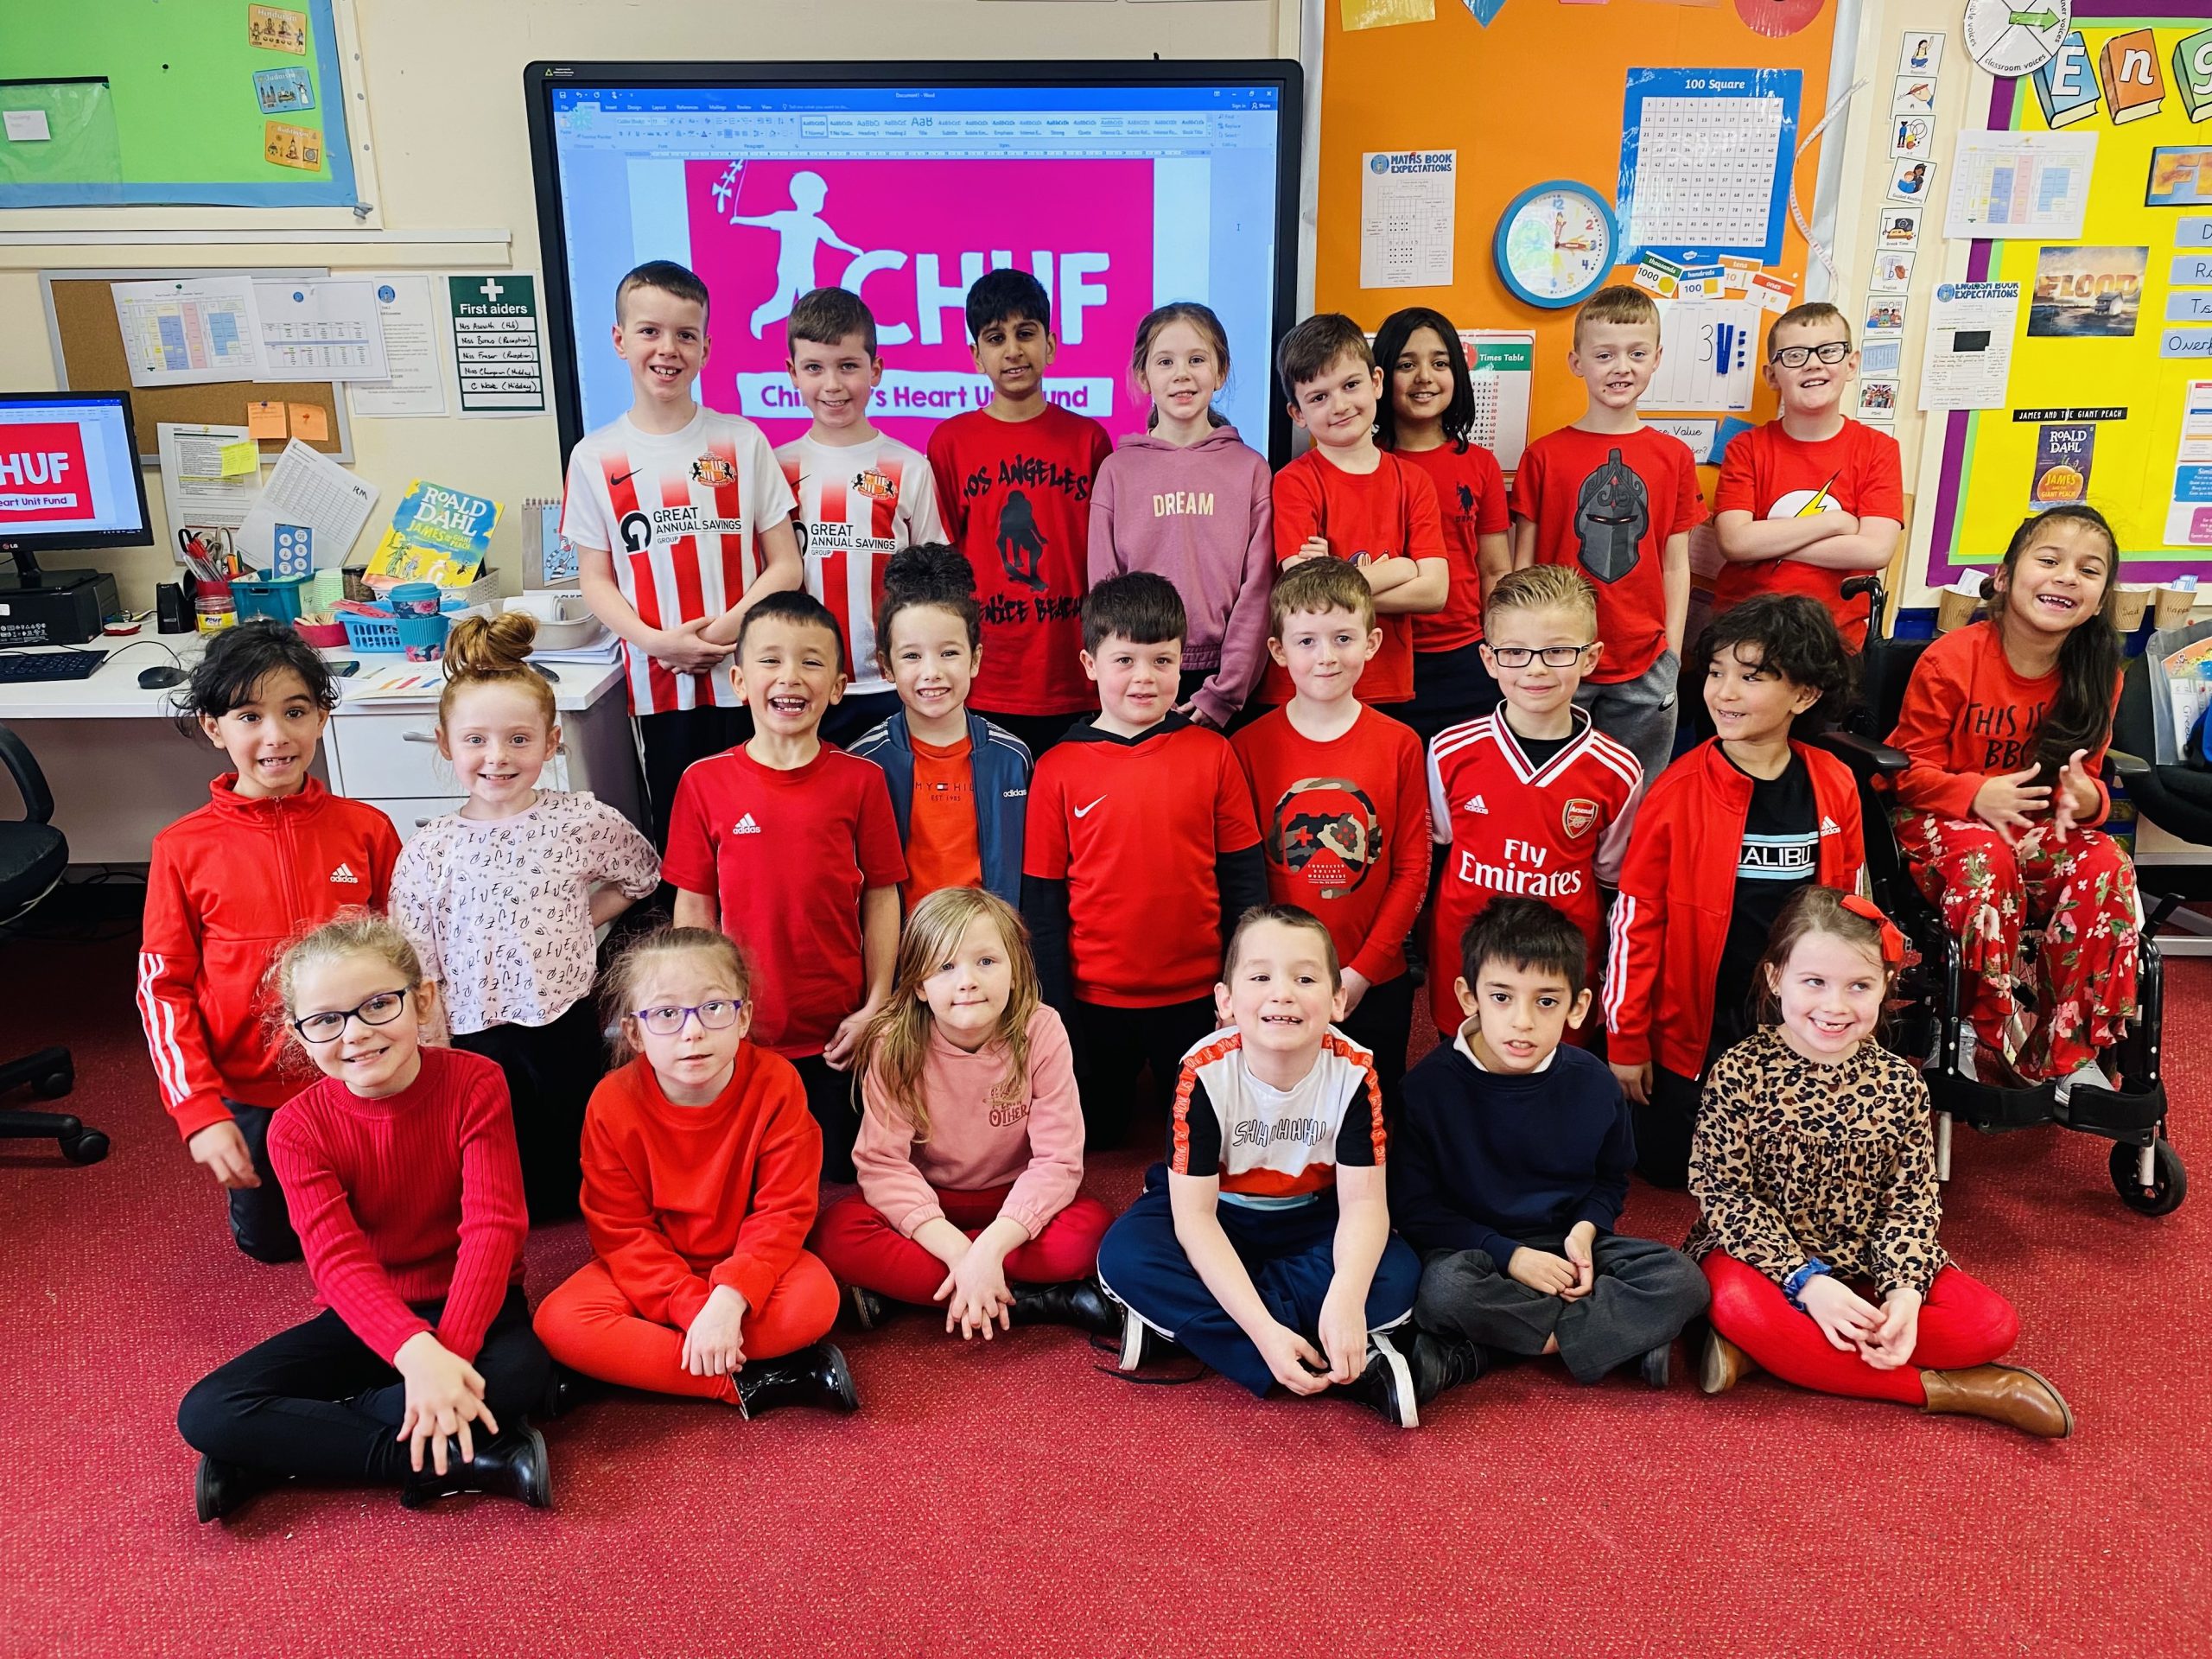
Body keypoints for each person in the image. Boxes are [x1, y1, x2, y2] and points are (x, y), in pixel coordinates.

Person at [177, 913, 554, 1522]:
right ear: (299, 1035)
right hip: (373, 1316)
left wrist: (445, 1357)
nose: (354, 1034)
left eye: (378, 1004)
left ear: (422, 1001)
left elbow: (492, 1229)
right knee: (208, 1412)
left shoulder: (477, 1082)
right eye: (326, 1020)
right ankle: (474, 1459)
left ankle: (279, 1453)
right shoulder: (295, 1128)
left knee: (521, 1378)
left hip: (475, 1307)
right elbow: (337, 1263)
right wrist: (414, 1357)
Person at [1688, 887, 2072, 1437]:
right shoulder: (1739, 1071)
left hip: (1866, 1258)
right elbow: (1724, 1194)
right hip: (1762, 1261)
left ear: (1886, 988)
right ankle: (1965, 1390)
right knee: (1735, 1305)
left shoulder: (1900, 1084)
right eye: (1814, 982)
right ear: (1777, 979)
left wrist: (1904, 1295)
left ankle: (1772, 1354)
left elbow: (1912, 1202)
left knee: (1990, 1325)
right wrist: (1806, 1283)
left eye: (1859, 986)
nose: (1835, 1007)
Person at [1093, 905, 1428, 1426]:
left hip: (1311, 1219)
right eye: (1261, 976)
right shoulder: (1202, 1074)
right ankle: (1296, 1349)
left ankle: (1187, 1330)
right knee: (1125, 1256)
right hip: (1219, 1214)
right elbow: (1194, 1219)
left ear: (1338, 999)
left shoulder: (1356, 1072)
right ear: (1225, 1001)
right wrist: (1264, 1332)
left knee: (1396, 1275)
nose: (1283, 993)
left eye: (1306, 977)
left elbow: (1364, 1204)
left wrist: (1344, 1296)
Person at [138, 620, 401, 1263]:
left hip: (363, 1076)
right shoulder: (182, 848)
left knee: (386, 1237)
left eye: (296, 711)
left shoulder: (367, 830)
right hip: (252, 1090)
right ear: (213, 727)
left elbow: (408, 956)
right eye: (249, 716)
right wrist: (199, 1110)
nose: (276, 736)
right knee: (273, 1247)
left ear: (322, 719)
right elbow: (161, 988)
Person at [389, 612, 659, 1224]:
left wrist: (581, 919)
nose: (497, 758)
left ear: (551, 741)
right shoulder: (431, 850)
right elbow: (417, 956)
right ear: (445, 745)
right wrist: (430, 1039)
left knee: (574, 1127)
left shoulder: (581, 821)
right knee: (495, 1141)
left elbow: (641, 874)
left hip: (563, 1010)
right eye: (476, 740)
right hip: (473, 1023)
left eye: (518, 739)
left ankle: (583, 1205)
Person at [532, 927, 858, 1418]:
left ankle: (644, 1364)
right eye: (666, 1014)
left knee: (814, 1303)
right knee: (560, 1322)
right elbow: (621, 1233)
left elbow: (784, 1211)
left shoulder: (776, 1083)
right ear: (635, 1033)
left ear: (743, 1017)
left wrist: (727, 1302)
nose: (693, 1032)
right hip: (654, 1273)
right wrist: (693, 1308)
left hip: (749, 1264)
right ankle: (746, 1384)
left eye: (713, 1007)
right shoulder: (611, 1102)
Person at [1393, 899, 1708, 1400]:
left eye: (1545, 1002)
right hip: (1477, 1250)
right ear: (1467, 997)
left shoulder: (1594, 1084)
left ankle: (1490, 1347)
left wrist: (1585, 1232)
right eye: (1501, 997)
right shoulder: (1425, 1090)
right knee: (1443, 1290)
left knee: (1682, 1280)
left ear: (1578, 1006)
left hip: (1566, 1246)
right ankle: (1613, 1339)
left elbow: (1609, 1180)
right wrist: (1509, 1256)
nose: (1522, 1022)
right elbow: (1415, 1208)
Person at [1607, 595, 1863, 1187]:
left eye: (1751, 678)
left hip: (1794, 1021)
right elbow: (1635, 922)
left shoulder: (1835, 783)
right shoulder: (1674, 792)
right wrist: (1625, 1039)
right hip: (1695, 1028)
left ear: (1803, 696)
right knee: (1674, 1172)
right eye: (1717, 672)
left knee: (1792, 1174)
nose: (1723, 693)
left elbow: (1849, 913)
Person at [1887, 505, 2135, 1090]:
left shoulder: (2100, 673)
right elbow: (1904, 774)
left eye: (2088, 570)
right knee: (1987, 858)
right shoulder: (1951, 658)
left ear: (2099, 601)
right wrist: (1978, 796)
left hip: (2035, 829)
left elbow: (2092, 778)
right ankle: (1975, 1025)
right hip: (1939, 820)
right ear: (2004, 577)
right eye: (2049, 560)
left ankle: (2069, 1051)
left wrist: (2087, 798)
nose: (2067, 576)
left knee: (2106, 864)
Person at [665, 590, 906, 1182]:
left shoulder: (862, 781)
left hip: (838, 1036)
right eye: (771, 661)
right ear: (741, 681)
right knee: (750, 1179)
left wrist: (875, 1006)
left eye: (812, 661)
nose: (791, 677)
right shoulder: (703, 783)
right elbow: (693, 909)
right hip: (743, 1036)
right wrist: (703, 1013)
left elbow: (882, 895)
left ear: (839, 686)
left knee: (844, 1179)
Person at [562, 258, 803, 846]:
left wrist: (721, 634)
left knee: (762, 828)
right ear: (619, 340)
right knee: (685, 836)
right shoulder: (595, 457)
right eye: (649, 331)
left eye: (685, 335)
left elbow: (786, 566)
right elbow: (595, 579)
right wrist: (657, 642)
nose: (667, 349)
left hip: (747, 677)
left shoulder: (741, 440)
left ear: (706, 347)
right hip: (658, 683)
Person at [1020, 572, 1265, 1147]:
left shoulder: (1213, 754)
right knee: (1099, 1138)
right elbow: (1044, 904)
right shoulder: (1057, 768)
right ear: (1089, 662)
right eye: (1125, 660)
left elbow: (1245, 884)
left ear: (1184, 662)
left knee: (1205, 1141)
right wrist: (1054, 1008)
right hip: (1095, 1004)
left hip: (1199, 997)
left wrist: (1241, 988)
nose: (1144, 678)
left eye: (1162, 661)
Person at [813, 887, 1118, 1337]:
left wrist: (990, 1248)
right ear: (919, 984)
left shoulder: (1042, 1029)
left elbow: (1058, 1160)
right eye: (945, 966)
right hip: (931, 1203)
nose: (968, 980)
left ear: (1015, 971)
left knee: (1091, 1235)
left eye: (987, 962)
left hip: (1014, 1199)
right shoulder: (891, 1044)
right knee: (836, 1233)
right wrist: (960, 1253)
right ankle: (1028, 1299)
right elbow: (882, 1166)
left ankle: (937, 1292)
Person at [1231, 557, 1429, 1116]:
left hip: (1374, 975)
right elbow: (1244, 874)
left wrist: (1363, 972)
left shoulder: (1400, 745)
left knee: (1371, 1114)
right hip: (1279, 981)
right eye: (1307, 641)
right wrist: (1268, 972)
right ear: (1278, 651)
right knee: (1281, 1109)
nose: (1326, 657)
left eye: (1342, 638)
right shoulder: (1247, 747)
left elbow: (1413, 867)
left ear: (1371, 643)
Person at [1426, 565, 1642, 1036]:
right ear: (1488, 660)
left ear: (1591, 657)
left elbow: (1610, 878)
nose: (1536, 667)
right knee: (1461, 1077)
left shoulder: (1618, 771)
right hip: (1464, 958)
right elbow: (1439, 848)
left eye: (1559, 650)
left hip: (1559, 970)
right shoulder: (1449, 751)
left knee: (1552, 1086)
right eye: (1515, 652)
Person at [1510, 283, 1707, 782]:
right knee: (1553, 789)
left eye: (1637, 353)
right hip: (1555, 659)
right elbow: (1523, 569)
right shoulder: (1545, 455)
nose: (1622, 367)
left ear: (1657, 358)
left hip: (1645, 659)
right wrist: (1524, 648)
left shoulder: (1674, 458)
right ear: (1578, 362)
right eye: (1605, 354)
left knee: (1638, 795)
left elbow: (1674, 562)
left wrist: (1673, 649)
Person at [925, 268, 1115, 758]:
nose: (1013, 350)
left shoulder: (1089, 440)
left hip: (1073, 668)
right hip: (988, 673)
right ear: (975, 355)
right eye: (996, 338)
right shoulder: (950, 443)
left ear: (1050, 345)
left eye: (1026, 333)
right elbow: (942, 559)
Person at [773, 284, 948, 747]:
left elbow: (934, 583)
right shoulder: (776, 466)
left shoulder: (908, 467)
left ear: (876, 370)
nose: (832, 385)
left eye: (848, 366)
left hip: (890, 683)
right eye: (814, 368)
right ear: (792, 373)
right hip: (804, 684)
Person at [1087, 301, 1274, 730]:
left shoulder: (1249, 469)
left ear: (1220, 372)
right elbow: (1104, 589)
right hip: (1141, 677)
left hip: (1225, 680)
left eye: (1197, 360)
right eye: (1166, 361)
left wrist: (1224, 692)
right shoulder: (1118, 470)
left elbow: (1258, 590)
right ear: (1143, 375)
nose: (1182, 374)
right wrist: (1131, 673)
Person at [1258, 313, 1447, 716]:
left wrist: (1336, 573)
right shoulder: (1294, 482)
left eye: (1350, 385)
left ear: (1377, 382)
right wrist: (1401, 568)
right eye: (1318, 397)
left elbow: (1434, 592)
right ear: (1297, 413)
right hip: (1307, 683)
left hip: (1387, 681)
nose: (1340, 405)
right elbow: (1308, 596)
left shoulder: (1413, 481)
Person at [847, 544, 1032, 909]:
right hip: (905, 956)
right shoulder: (864, 763)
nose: (931, 672)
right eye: (912, 656)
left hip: (990, 952)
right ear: (887, 667)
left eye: (948, 653)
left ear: (974, 658)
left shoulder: (1013, 757)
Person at [1713, 302, 1904, 647]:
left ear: (1851, 364)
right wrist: (1835, 523)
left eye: (1828, 351)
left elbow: (1875, 551)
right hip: (1746, 634)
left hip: (1835, 640)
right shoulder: (1746, 448)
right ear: (1772, 375)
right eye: (1795, 355)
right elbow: (1735, 543)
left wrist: (1766, 544)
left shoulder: (1879, 449)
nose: (1813, 363)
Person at [1373, 306, 1514, 746]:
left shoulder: (1480, 465)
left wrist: (1500, 649)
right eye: (1406, 364)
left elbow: (1494, 569)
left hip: (1464, 657)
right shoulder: (1362, 464)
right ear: (1379, 378)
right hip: (1381, 655)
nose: (1424, 378)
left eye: (1439, 362)